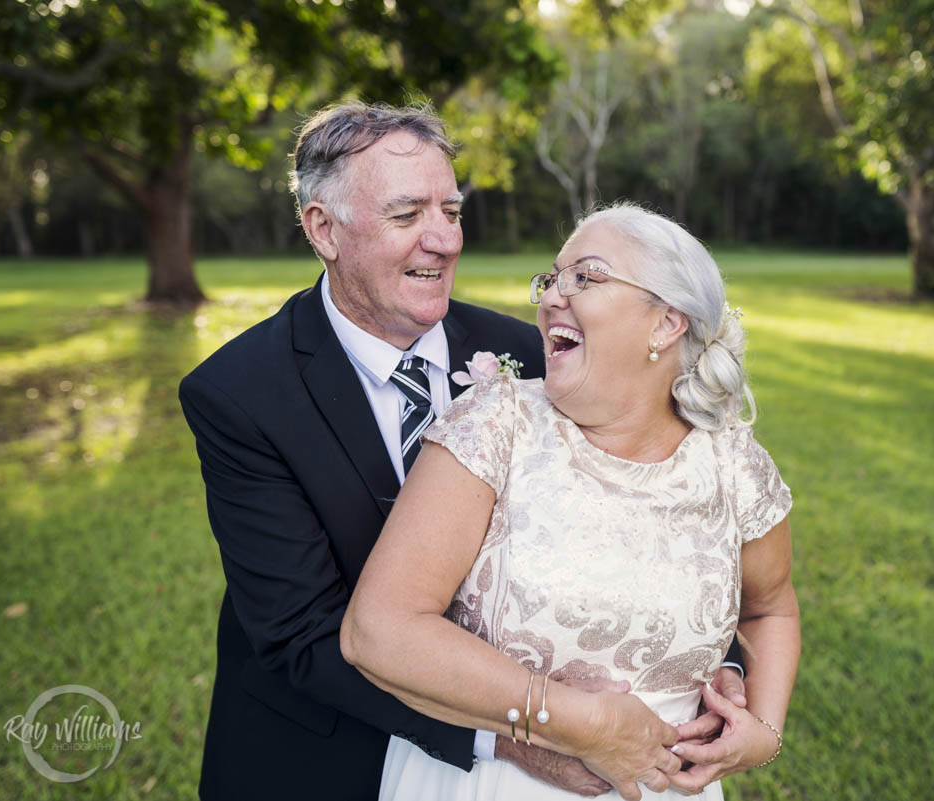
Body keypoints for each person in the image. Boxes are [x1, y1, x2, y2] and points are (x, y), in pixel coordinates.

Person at [179, 102, 744, 801]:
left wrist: (720, 673)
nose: (443, 240)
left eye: (450, 211)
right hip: (322, 754)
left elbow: (654, 507)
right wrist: (520, 734)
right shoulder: (239, 393)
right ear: (323, 228)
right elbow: (302, 634)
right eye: (407, 214)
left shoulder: (532, 353)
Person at [340, 202, 801, 801]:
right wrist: (576, 725)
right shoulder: (494, 424)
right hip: (488, 783)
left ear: (666, 323)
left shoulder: (736, 467)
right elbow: (380, 630)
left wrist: (763, 728)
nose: (554, 294)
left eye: (585, 276)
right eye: (552, 278)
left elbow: (769, 610)